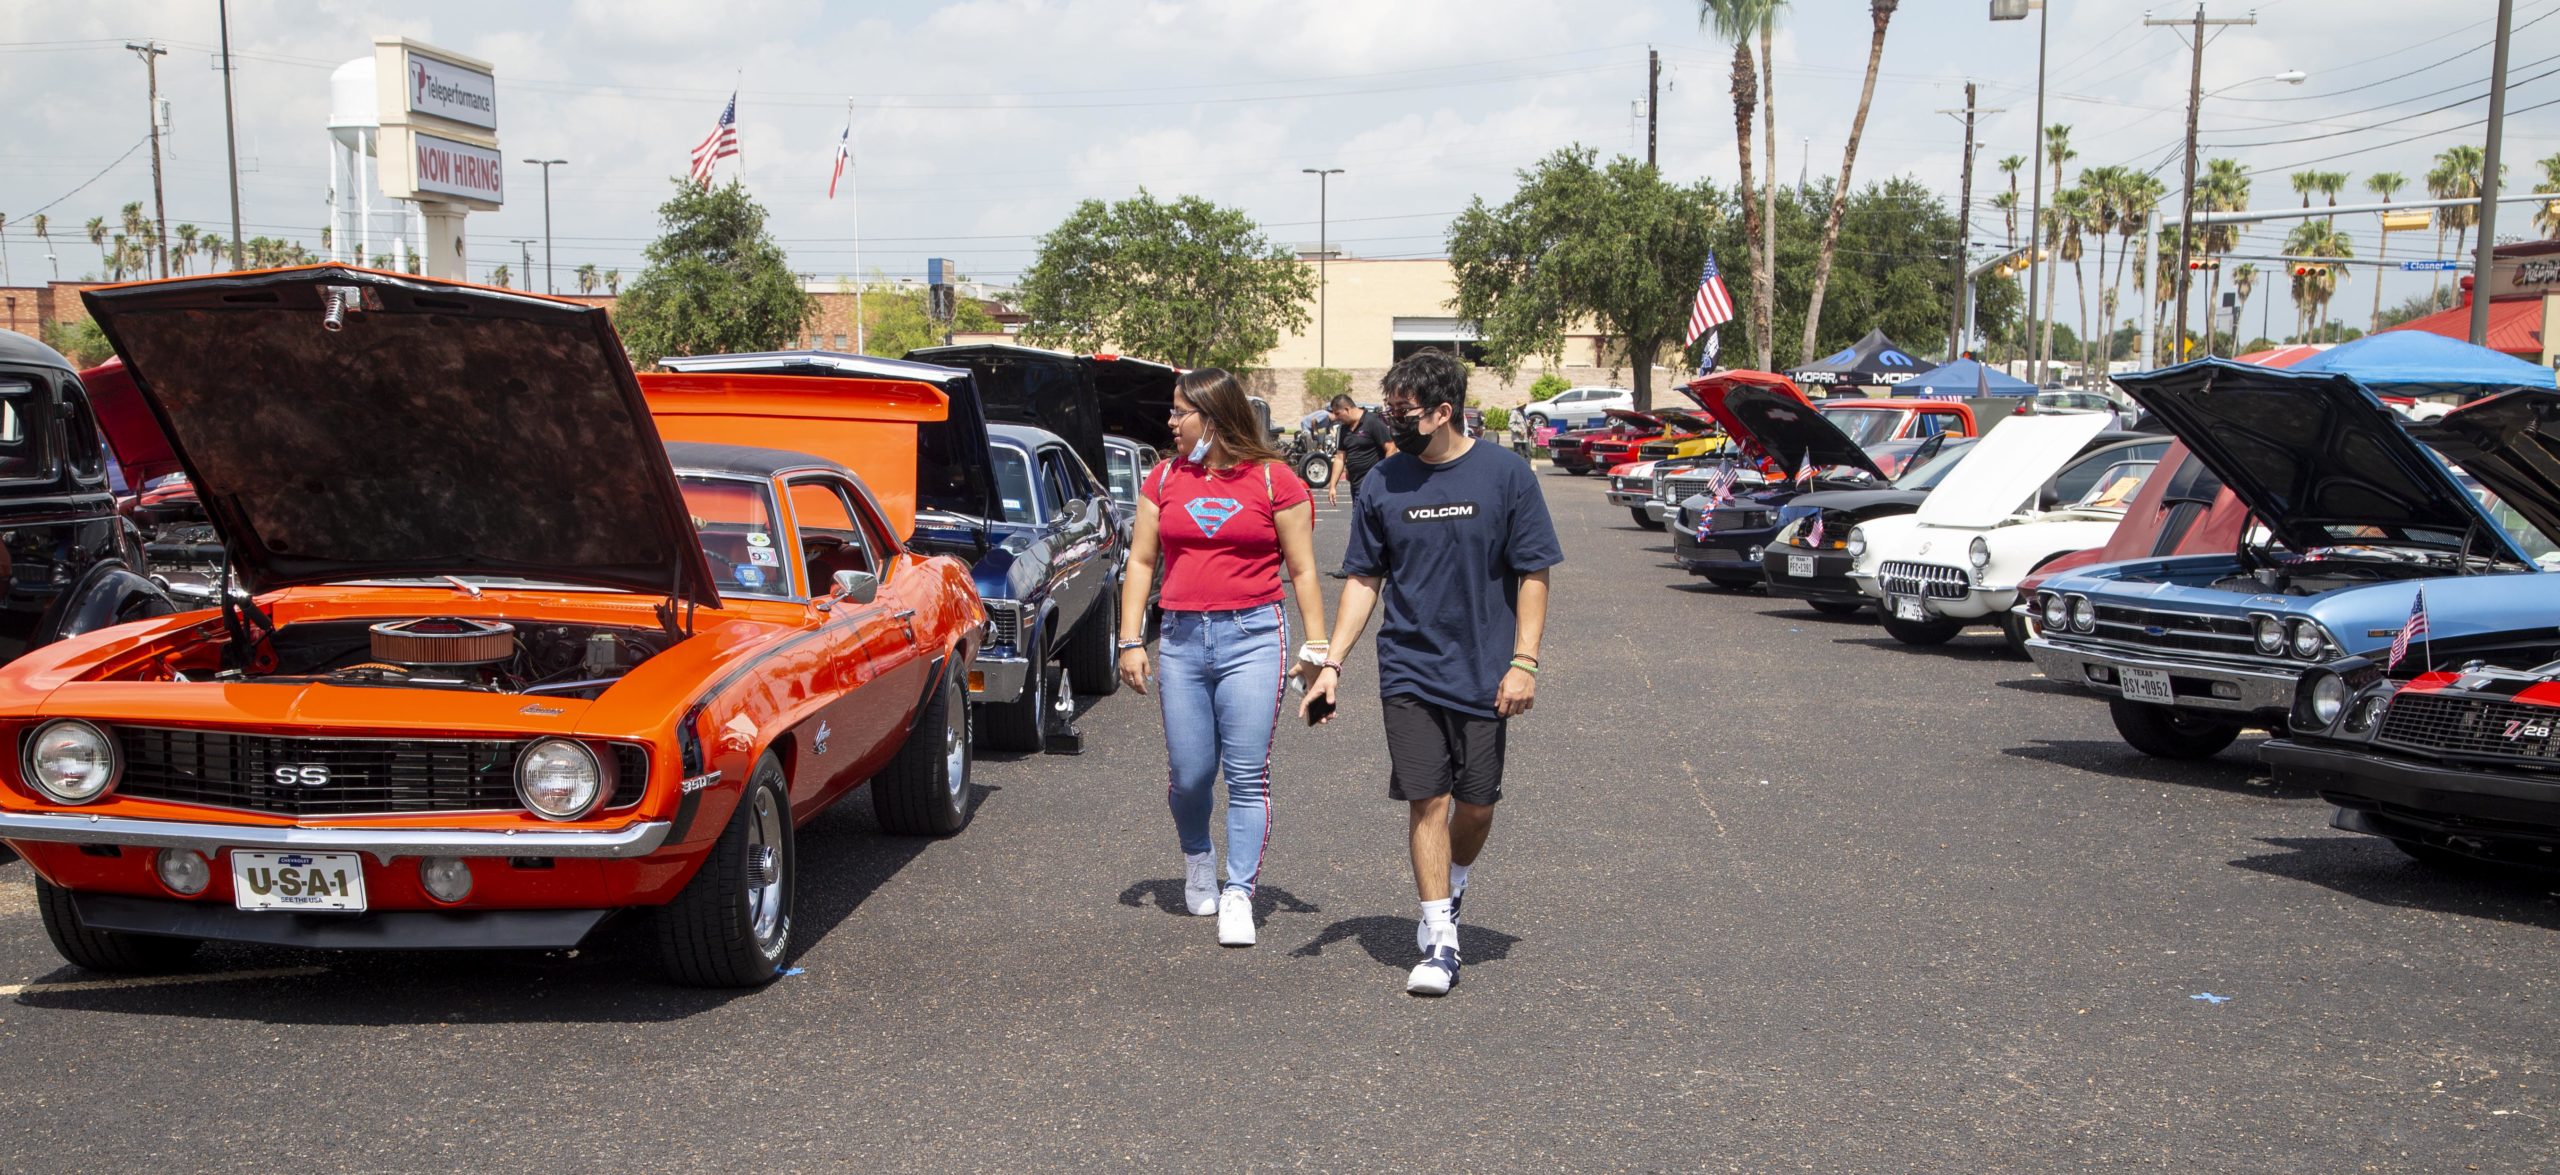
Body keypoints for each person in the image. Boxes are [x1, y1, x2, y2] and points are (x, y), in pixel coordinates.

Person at [1299, 349, 1560, 997]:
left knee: (1475, 805)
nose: (1392, 423)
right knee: (1428, 799)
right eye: (1387, 411)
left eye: (1403, 413)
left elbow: (1533, 571)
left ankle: (1455, 879)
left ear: (1444, 411)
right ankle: (1441, 937)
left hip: (1485, 669)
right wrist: (1332, 663)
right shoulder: (1384, 483)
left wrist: (1524, 661)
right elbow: (1364, 579)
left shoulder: (1506, 475)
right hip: (1409, 668)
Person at [1118, 368, 1330, 948]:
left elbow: (1303, 570)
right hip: (1181, 639)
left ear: (1212, 417)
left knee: (1246, 773)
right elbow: (1141, 562)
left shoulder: (1275, 480)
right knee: (1190, 776)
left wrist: (1318, 650)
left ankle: (1239, 891)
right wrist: (1130, 639)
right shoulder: (1164, 478)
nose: (1170, 422)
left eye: (1179, 412)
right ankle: (1197, 857)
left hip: (1253, 637)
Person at [1327, 393, 1394, 506]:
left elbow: (1391, 448)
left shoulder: (1372, 421)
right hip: (1356, 485)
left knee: (1368, 516)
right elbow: (1339, 458)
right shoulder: (1343, 429)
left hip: (1373, 485)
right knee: (1358, 515)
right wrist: (1332, 486)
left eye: (1338, 413)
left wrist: (1382, 477)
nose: (1336, 418)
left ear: (1347, 409)